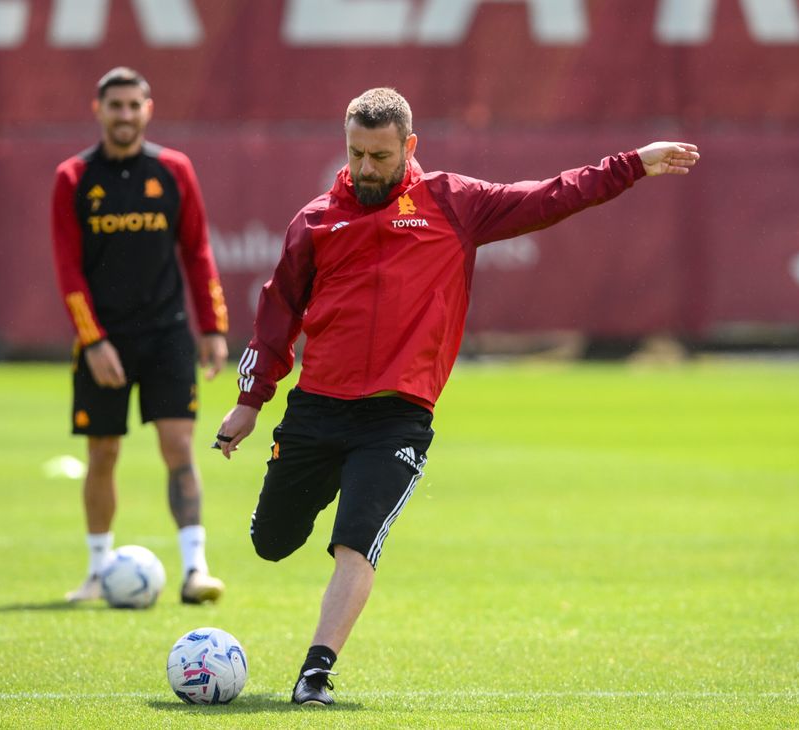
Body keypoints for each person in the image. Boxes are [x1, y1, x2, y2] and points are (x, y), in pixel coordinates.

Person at [216, 87, 699, 705]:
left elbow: (550, 196)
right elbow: (276, 314)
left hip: (397, 417)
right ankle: (296, 522)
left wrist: (633, 163)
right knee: (271, 543)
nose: (366, 168)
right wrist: (250, 402)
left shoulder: (453, 203)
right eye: (356, 153)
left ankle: (315, 674)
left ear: (409, 147)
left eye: (380, 156)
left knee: (357, 538)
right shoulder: (315, 220)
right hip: (317, 408)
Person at [51, 67, 229, 606]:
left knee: (178, 447)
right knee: (102, 451)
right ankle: (97, 571)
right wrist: (94, 340)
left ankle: (195, 570)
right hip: (104, 339)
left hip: (167, 334)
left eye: (134, 105)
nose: (125, 115)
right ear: (98, 109)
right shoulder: (73, 178)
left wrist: (213, 326)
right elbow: (68, 269)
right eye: (115, 106)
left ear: (148, 109)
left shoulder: (174, 171)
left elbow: (197, 250)